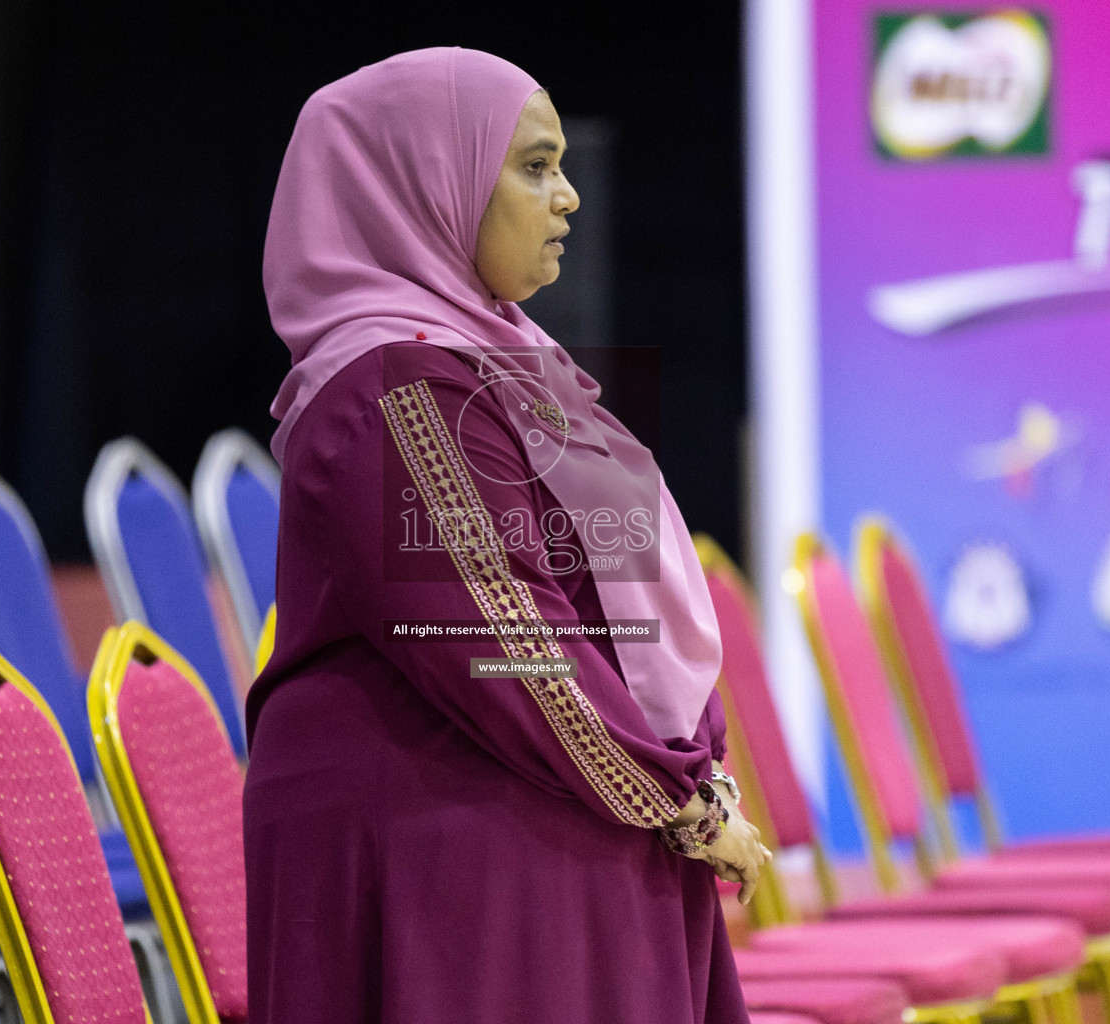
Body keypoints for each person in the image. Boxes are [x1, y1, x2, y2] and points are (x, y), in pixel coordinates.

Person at [244, 47, 769, 1024]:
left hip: (525, 793)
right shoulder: (397, 389)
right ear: (427, 185)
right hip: (434, 831)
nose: (566, 197)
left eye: (562, 165)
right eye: (533, 167)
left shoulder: (507, 365)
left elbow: (605, 609)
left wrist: (688, 776)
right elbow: (508, 647)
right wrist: (678, 802)